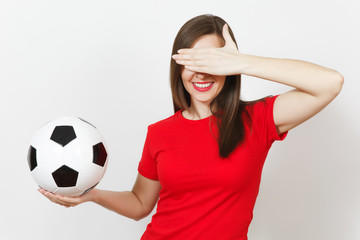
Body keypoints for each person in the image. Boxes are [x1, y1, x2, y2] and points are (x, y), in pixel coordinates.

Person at [39, 14, 344, 239]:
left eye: (211, 61)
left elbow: (330, 83)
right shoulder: (159, 132)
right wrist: (91, 195)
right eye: (192, 61)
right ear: (178, 67)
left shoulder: (256, 119)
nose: (201, 72)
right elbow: (141, 203)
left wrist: (243, 62)